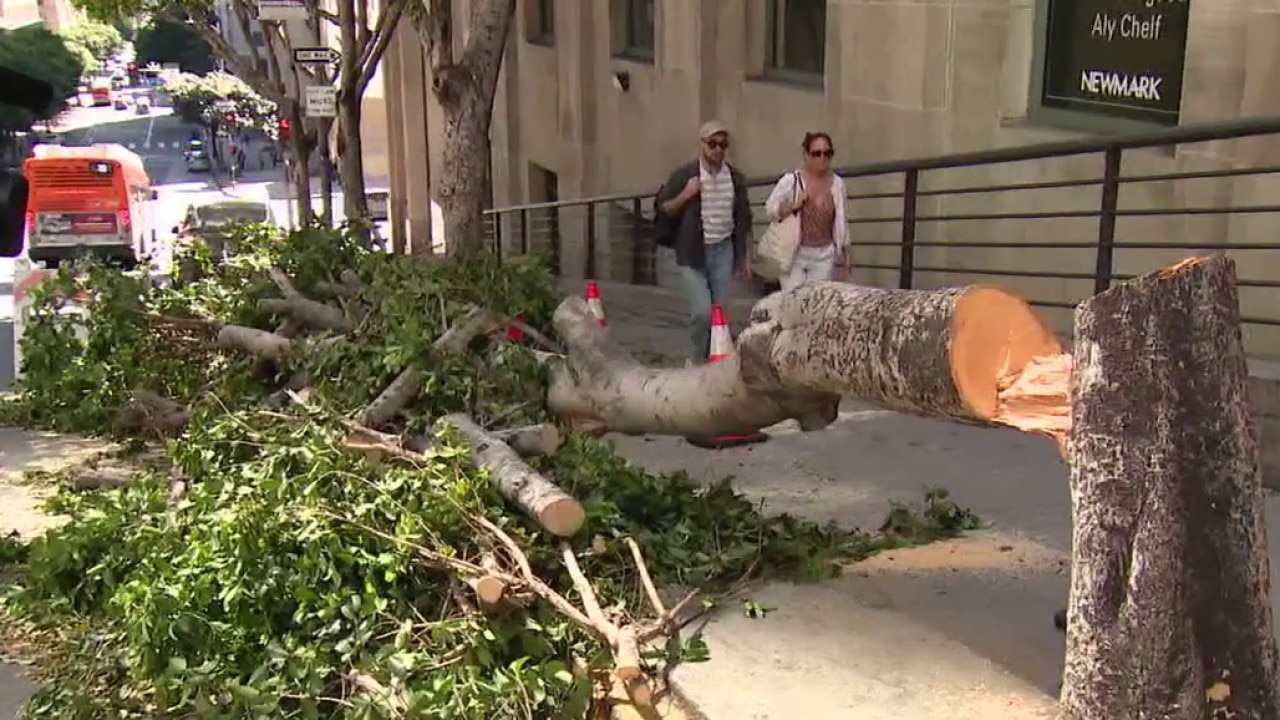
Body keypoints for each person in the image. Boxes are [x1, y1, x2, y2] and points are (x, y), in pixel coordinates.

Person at [656, 120, 753, 364]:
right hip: (693, 252)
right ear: (702, 145)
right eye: (712, 144)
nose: (718, 150)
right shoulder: (686, 174)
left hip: (723, 250)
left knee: (720, 314)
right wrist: (686, 194)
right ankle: (696, 359)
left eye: (723, 145)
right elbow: (665, 208)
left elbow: (743, 218)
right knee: (702, 312)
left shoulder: (735, 178)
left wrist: (745, 257)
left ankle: (713, 360)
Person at [764, 131, 849, 291]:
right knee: (794, 303)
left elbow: (841, 221)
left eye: (827, 153)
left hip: (824, 255)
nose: (822, 158)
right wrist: (792, 205)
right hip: (795, 255)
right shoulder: (791, 181)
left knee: (817, 305)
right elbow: (770, 209)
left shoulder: (837, 184)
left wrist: (845, 253)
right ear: (806, 155)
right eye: (816, 153)